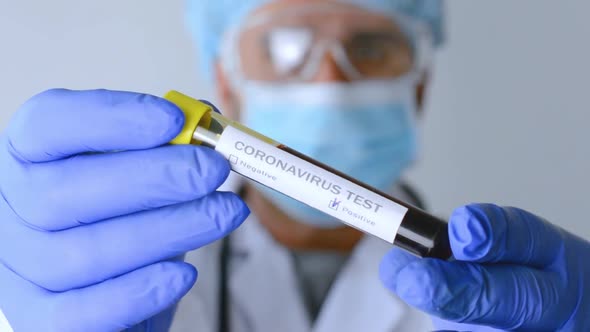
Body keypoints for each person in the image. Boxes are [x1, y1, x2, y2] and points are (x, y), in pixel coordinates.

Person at [0, 2, 588, 332]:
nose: (329, 83)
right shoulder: (112, 273)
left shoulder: (501, 295)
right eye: (285, 47)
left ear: (420, 86)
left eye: (373, 48)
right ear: (225, 80)